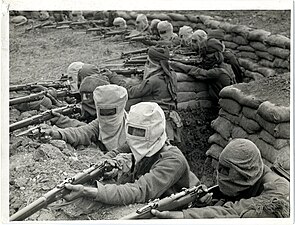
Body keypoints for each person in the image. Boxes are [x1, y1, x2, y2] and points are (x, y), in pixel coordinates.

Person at [62, 102, 202, 205]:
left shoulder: (172, 161)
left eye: (140, 132)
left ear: (154, 131)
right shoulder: (140, 141)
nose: (136, 136)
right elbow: (116, 151)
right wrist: (105, 164)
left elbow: (140, 191)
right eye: (132, 130)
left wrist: (89, 192)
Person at [151, 138, 290, 218]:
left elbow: (233, 211)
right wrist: (202, 204)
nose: (220, 174)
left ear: (245, 173)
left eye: (227, 170)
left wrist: (184, 216)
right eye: (220, 167)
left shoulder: (277, 190)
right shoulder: (249, 175)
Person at [106, 46, 182, 144]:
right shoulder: (172, 75)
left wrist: (113, 76)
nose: (146, 65)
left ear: (154, 63)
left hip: (155, 121)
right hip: (168, 120)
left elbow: (131, 92)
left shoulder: (153, 81)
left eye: (148, 62)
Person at [43, 84, 128, 152]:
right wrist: (57, 134)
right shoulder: (99, 124)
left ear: (120, 109)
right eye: (102, 113)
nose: (106, 117)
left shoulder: (132, 125)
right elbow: (82, 132)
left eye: (110, 112)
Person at [171, 38, 236, 104]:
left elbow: (198, 72)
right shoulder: (223, 65)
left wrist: (174, 64)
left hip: (224, 105)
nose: (203, 58)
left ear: (215, 55)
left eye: (206, 55)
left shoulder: (218, 71)